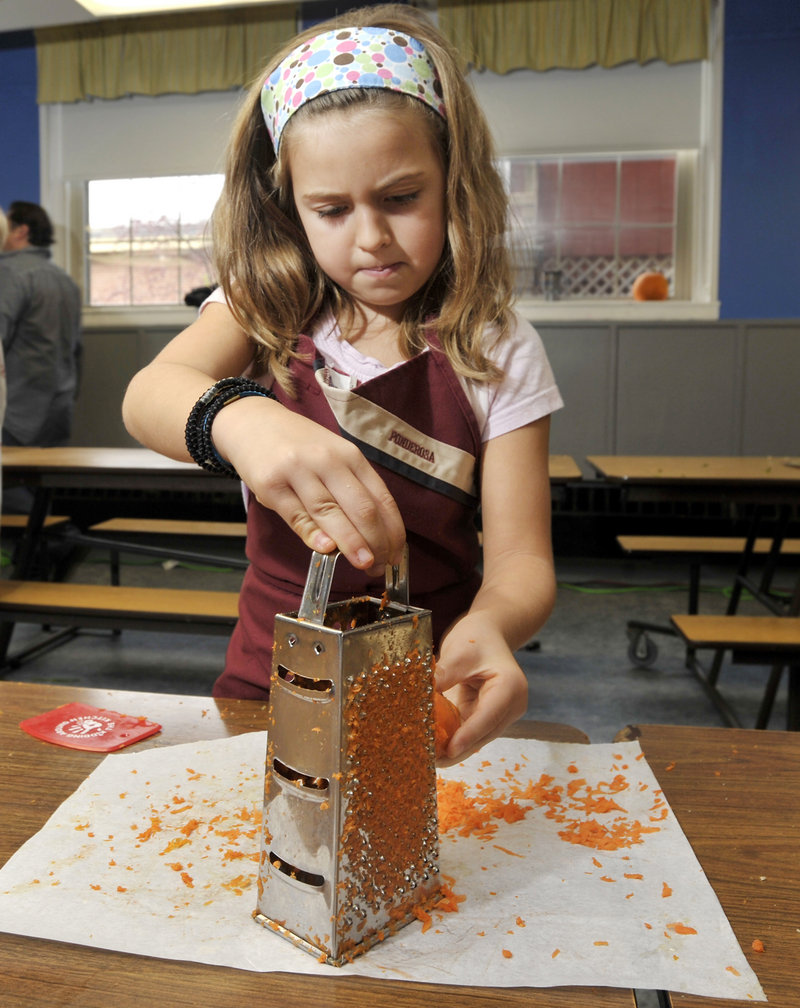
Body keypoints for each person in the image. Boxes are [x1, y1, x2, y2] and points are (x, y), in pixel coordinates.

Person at [122, 4, 563, 764]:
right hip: (265, 685)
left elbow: (523, 560)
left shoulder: (498, 346)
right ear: (288, 210)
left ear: (453, 182)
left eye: (401, 198)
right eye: (331, 210)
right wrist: (243, 417)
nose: (372, 238)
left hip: (427, 685)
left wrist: (492, 627)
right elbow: (148, 395)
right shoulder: (264, 310)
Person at [0, 201, 82, 460]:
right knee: (42, 492)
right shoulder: (64, 279)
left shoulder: (9, 274)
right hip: (59, 406)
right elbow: (76, 349)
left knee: (14, 495)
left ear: (20, 231)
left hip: (15, 412)